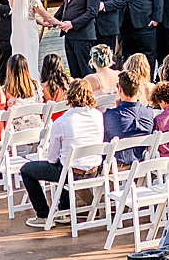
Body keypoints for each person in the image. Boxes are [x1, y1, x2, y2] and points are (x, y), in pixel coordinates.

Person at [22, 79, 106, 226]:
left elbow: (52, 158)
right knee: (65, 163)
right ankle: (65, 210)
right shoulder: (98, 116)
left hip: (71, 172)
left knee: (27, 170)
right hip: (94, 169)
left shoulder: (62, 122)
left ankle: (43, 215)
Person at [9, 0, 59, 74]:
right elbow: (48, 17)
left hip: (17, 34)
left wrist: (42, 23)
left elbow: (23, 15)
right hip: (30, 33)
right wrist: (60, 23)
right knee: (31, 59)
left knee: (18, 61)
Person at [54, 0, 99, 79]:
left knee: (86, 70)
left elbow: (92, 12)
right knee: (74, 71)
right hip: (69, 35)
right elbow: (65, 6)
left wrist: (72, 23)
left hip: (83, 36)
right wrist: (52, 21)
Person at [102, 70, 156, 165]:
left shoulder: (110, 116)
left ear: (120, 89)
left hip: (117, 166)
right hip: (141, 165)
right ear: (138, 90)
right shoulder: (148, 112)